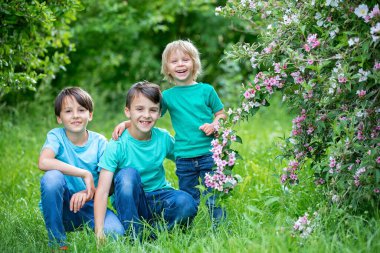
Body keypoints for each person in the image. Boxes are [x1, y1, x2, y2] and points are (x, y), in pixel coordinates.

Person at [113, 40, 227, 226]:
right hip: (184, 158)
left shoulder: (206, 90)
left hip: (208, 153)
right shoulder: (167, 96)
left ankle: (220, 228)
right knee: (190, 198)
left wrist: (215, 124)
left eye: (185, 60)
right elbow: (150, 115)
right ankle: (187, 227)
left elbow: (221, 114)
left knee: (214, 196)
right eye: (174, 61)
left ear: (194, 63)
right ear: (167, 68)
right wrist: (127, 123)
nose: (180, 64)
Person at [94, 81, 197, 241]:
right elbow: (102, 190)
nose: (147, 115)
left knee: (186, 202)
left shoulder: (162, 138)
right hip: (129, 201)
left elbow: (187, 155)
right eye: (139, 109)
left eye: (153, 110)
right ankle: (134, 236)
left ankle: (153, 234)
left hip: (159, 196)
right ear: (128, 111)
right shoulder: (117, 144)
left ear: (159, 112)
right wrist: (99, 230)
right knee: (128, 174)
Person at [38, 87, 124, 250]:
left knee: (116, 233)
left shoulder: (100, 142)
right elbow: (44, 162)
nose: (76, 115)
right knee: (51, 178)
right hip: (62, 207)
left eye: (81, 110)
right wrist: (84, 174)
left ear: (90, 115)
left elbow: (110, 186)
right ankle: (57, 242)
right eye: (68, 111)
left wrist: (87, 193)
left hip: (93, 206)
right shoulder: (56, 136)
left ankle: (92, 228)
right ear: (59, 118)